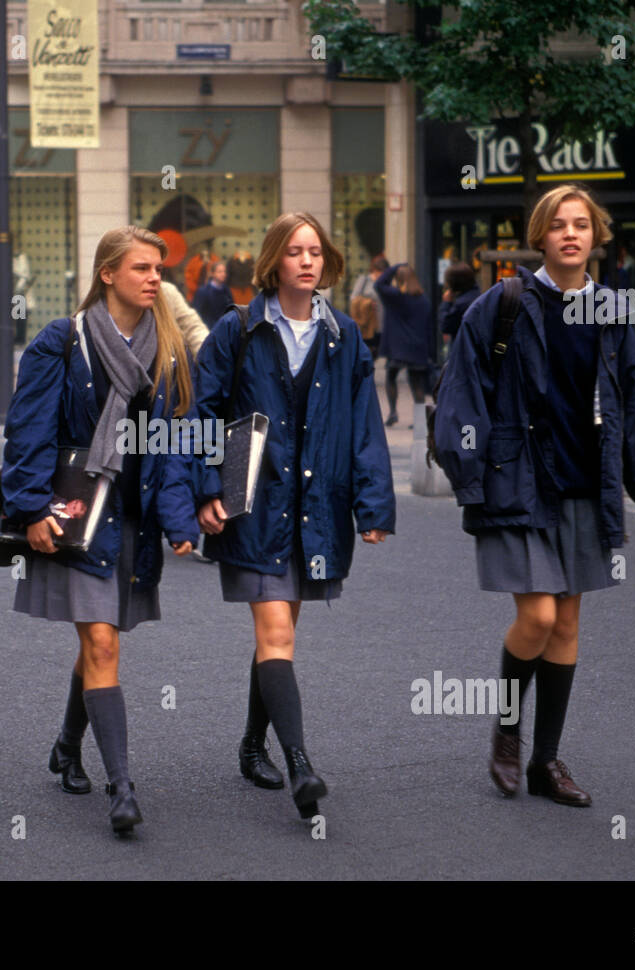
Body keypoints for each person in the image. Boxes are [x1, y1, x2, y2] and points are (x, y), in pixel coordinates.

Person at [432, 184, 635, 808]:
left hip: (585, 487)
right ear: (541, 235)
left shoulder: (614, 311)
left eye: (582, 225)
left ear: (596, 236)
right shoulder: (503, 303)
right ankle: (507, 735)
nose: (571, 234)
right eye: (559, 225)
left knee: (566, 622)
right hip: (519, 481)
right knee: (536, 617)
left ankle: (546, 761)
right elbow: (462, 390)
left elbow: (633, 403)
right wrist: (470, 473)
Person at [193, 212, 395, 820]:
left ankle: (254, 745)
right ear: (274, 261)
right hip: (253, 504)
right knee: (276, 634)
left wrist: (372, 502)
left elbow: (365, 424)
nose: (306, 261)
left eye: (315, 251)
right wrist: (207, 488)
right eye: (294, 251)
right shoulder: (237, 330)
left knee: (279, 638)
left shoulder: (343, 336)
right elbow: (203, 412)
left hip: (317, 507)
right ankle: (301, 764)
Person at [1, 226, 198, 835]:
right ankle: (122, 788)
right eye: (140, 268)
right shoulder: (62, 342)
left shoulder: (167, 348)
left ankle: (66, 744)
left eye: (157, 270)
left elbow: (171, 446)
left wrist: (180, 518)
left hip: (133, 519)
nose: (153, 279)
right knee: (103, 646)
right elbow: (27, 430)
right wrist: (31, 508)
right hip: (79, 516)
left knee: (102, 643)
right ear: (107, 274)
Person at [375, 262, 434, 426]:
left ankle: (393, 412)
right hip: (417, 347)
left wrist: (395, 267)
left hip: (397, 347)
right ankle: (420, 420)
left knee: (391, 377)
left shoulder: (395, 297)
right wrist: (430, 353)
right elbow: (429, 328)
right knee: (417, 384)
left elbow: (379, 284)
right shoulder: (424, 301)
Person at [349, 254, 387, 359]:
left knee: (376, 353)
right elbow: (354, 298)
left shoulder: (385, 282)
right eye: (381, 272)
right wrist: (368, 302)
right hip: (367, 323)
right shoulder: (364, 280)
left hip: (381, 324)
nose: (382, 275)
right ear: (375, 270)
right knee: (366, 353)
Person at [438, 262, 480, 353]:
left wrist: (446, 302)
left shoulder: (462, 304)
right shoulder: (476, 295)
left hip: (463, 351)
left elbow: (445, 325)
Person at [192, 260, 235, 330]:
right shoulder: (203, 291)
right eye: (220, 272)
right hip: (208, 330)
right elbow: (196, 313)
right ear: (212, 274)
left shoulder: (226, 290)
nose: (223, 274)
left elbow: (231, 310)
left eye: (224, 272)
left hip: (224, 329)